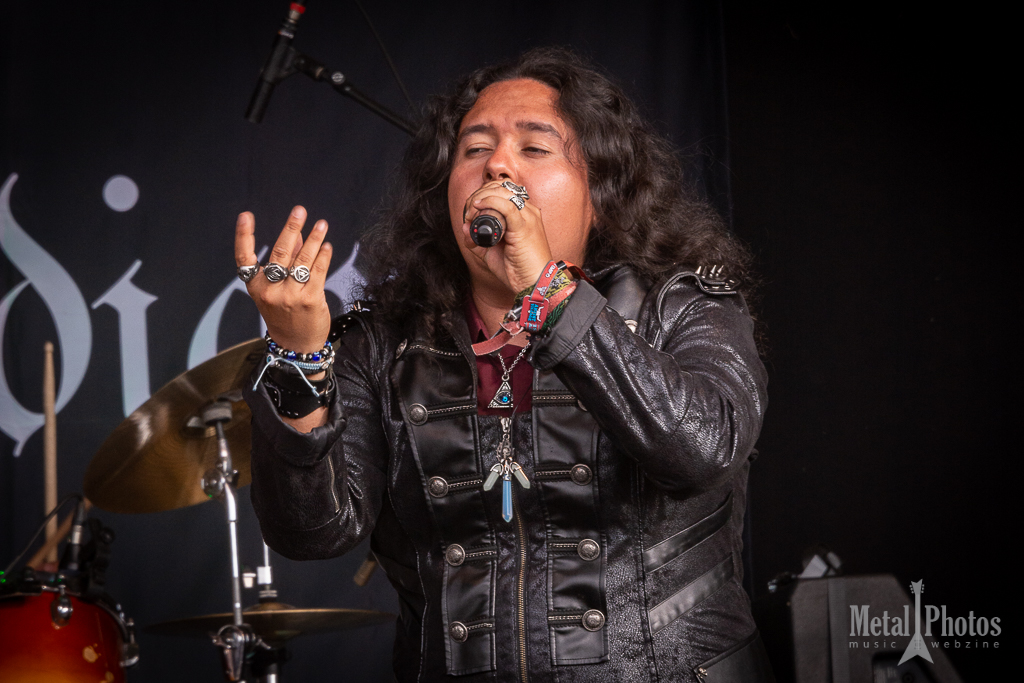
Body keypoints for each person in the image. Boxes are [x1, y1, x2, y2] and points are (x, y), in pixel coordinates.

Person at [236, 48, 773, 682]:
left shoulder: (681, 307)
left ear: (600, 193)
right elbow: (312, 534)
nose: (496, 165)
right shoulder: (382, 344)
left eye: (535, 148)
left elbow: (704, 449)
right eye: (474, 149)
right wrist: (298, 357)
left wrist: (548, 292)